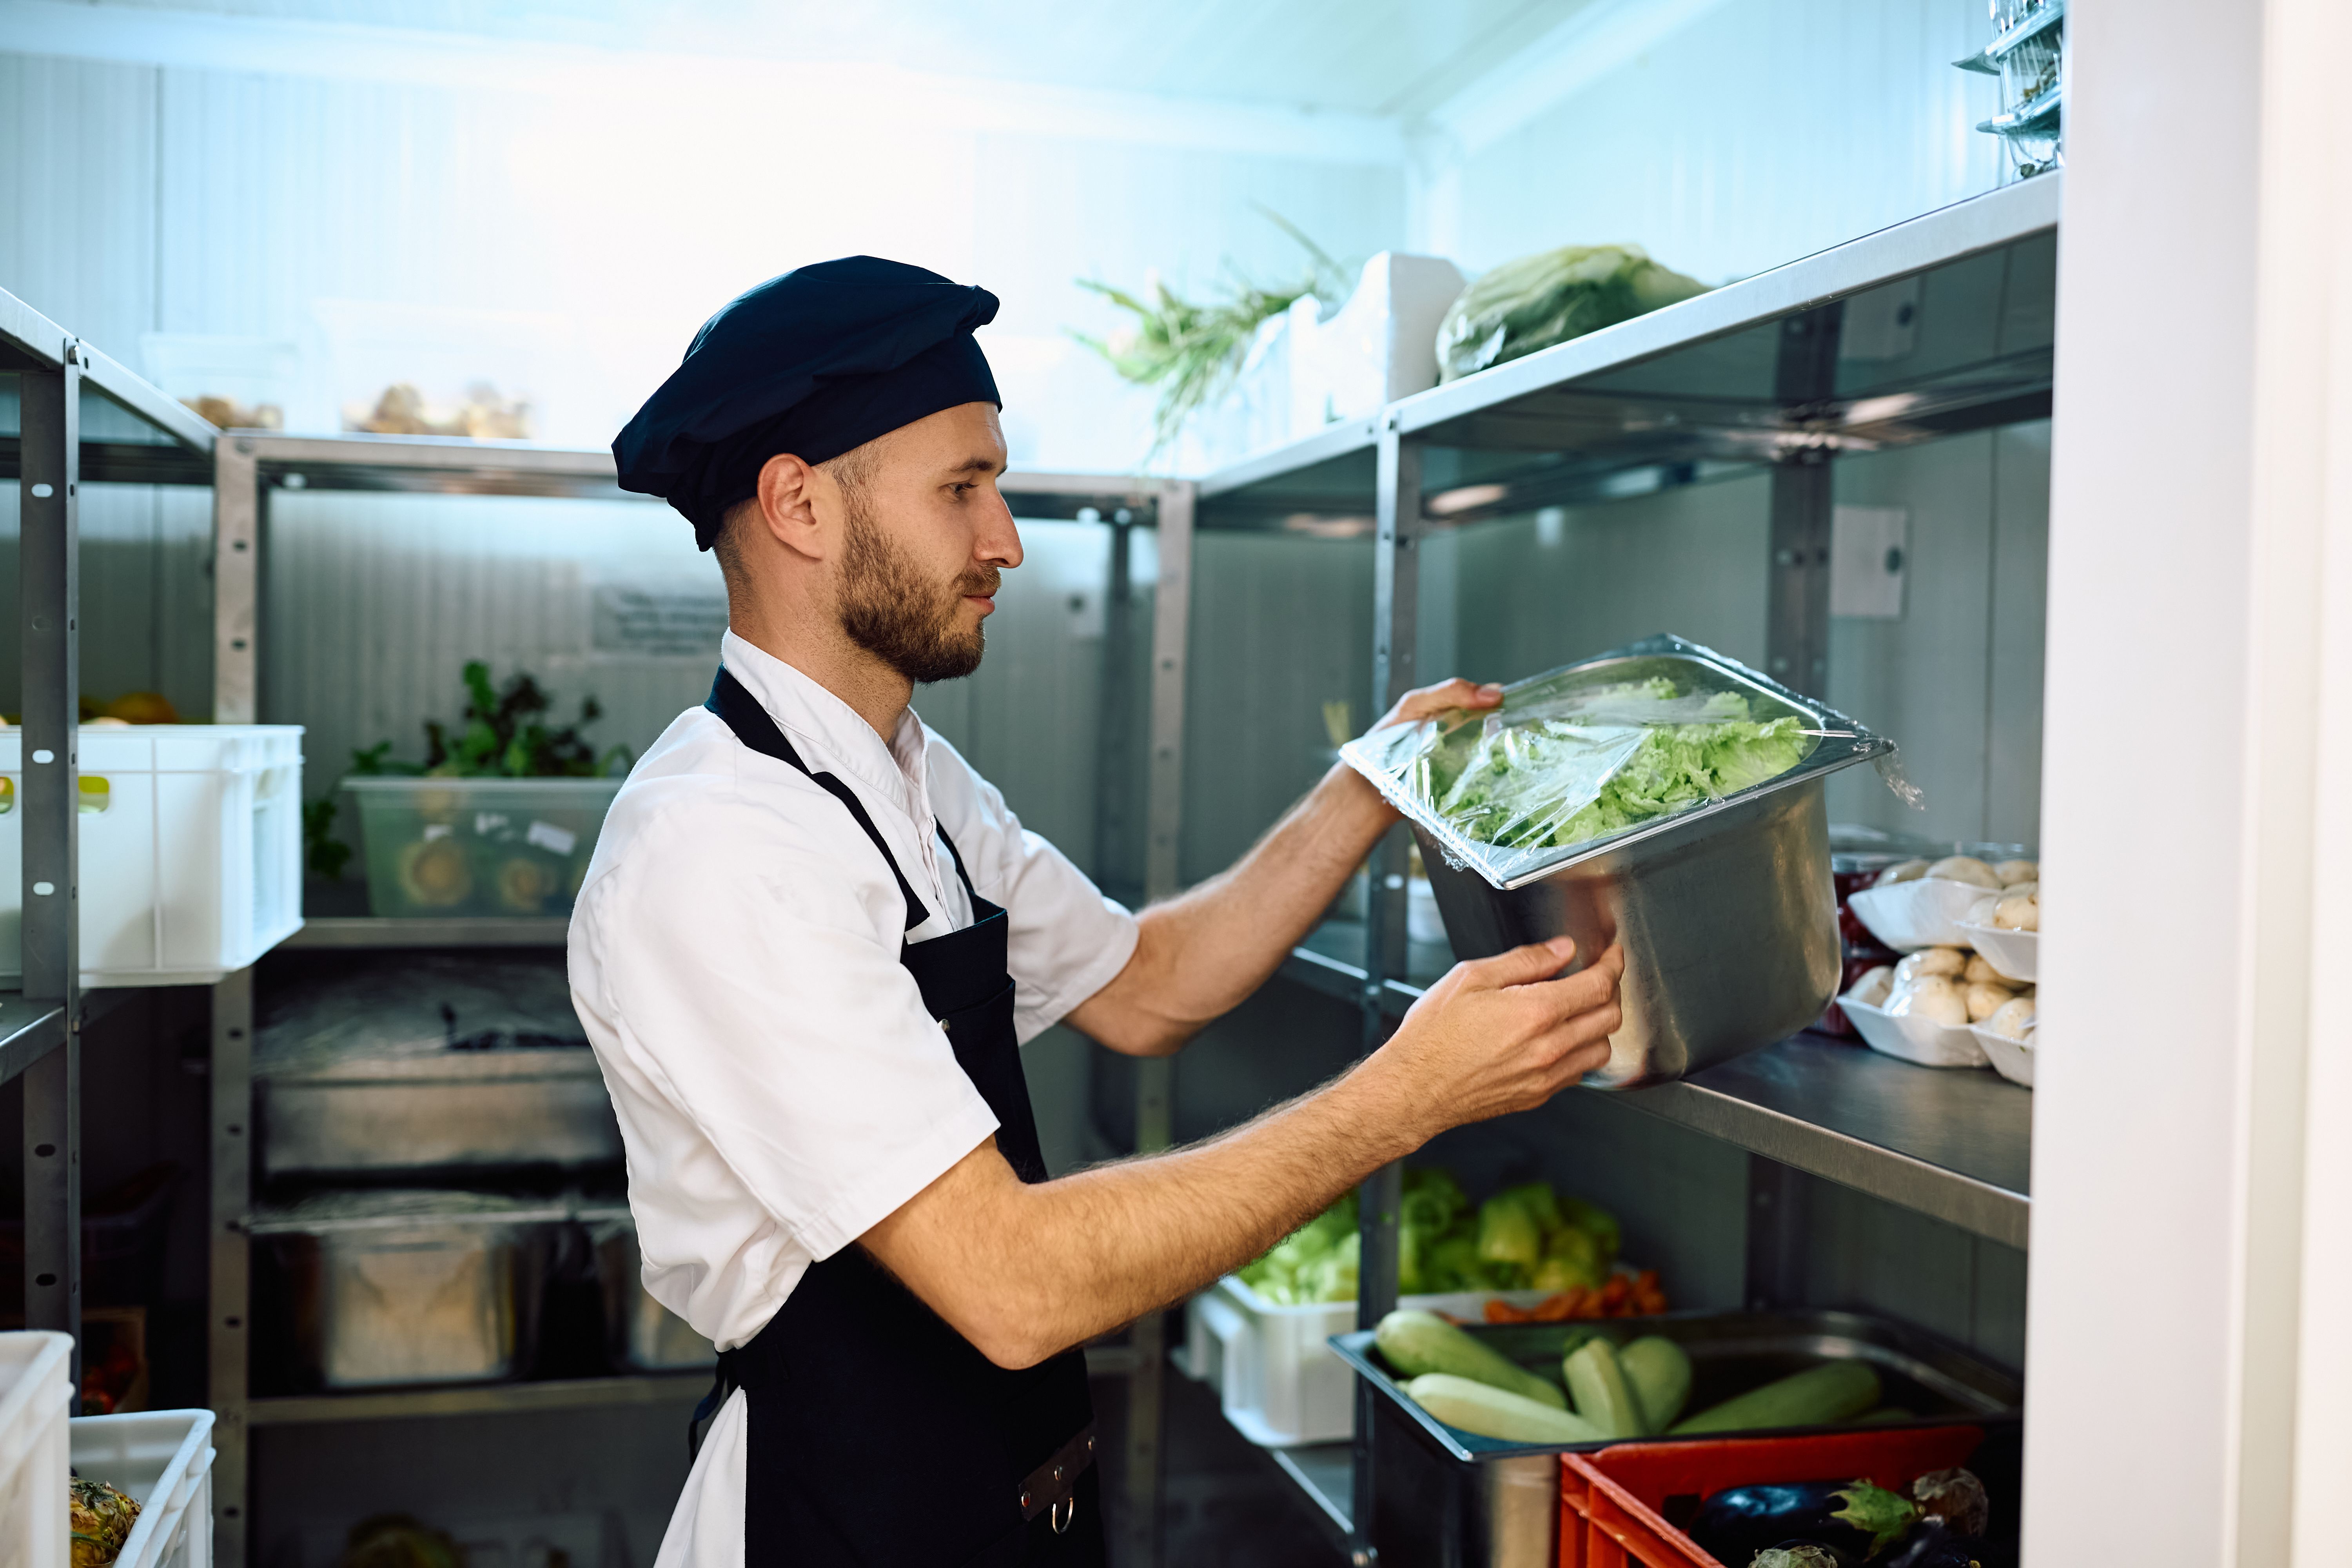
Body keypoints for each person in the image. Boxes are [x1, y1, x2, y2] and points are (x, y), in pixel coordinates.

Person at [575, 256, 1625, 1568]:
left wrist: (1371, 782)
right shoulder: (720, 846)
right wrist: (1403, 1097)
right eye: (962, 488)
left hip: (997, 1496)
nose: (1005, 539)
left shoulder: (908, 779)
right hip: (833, 1516)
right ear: (798, 504)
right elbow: (1009, 1283)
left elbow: (1150, 985)